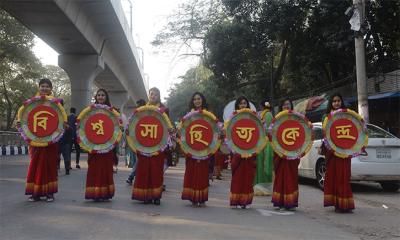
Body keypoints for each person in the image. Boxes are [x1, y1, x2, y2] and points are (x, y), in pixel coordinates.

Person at [22, 78, 60, 202]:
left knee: (49, 167)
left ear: (51, 89)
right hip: (36, 141)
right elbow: (24, 118)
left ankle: (50, 193)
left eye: (47, 86)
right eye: (42, 86)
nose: (44, 88)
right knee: (35, 166)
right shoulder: (32, 103)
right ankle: (35, 193)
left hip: (50, 142)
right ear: (39, 87)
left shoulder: (56, 103)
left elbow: (60, 120)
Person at [132, 88, 169, 205]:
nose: (153, 96)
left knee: (156, 171)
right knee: (143, 170)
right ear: (148, 96)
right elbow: (135, 124)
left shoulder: (164, 109)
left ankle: (156, 196)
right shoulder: (142, 110)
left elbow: (167, 126)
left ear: (159, 96)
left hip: (158, 145)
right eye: (151, 94)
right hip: (144, 145)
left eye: (155, 94)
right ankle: (144, 196)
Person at [320, 93, 355, 213]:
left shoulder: (348, 115)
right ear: (331, 103)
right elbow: (325, 135)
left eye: (338, 101)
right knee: (334, 177)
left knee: (344, 177)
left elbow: (356, 130)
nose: (336, 103)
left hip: (345, 152)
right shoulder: (326, 117)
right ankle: (337, 204)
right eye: (334, 101)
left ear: (341, 102)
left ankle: (346, 204)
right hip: (332, 153)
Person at [84, 89, 116, 201]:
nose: (101, 97)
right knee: (94, 169)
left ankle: (105, 193)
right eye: (99, 95)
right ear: (96, 97)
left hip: (107, 146)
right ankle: (95, 193)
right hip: (94, 146)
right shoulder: (90, 111)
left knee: (106, 169)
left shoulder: (112, 111)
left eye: (103, 95)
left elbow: (117, 126)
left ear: (106, 97)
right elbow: (84, 124)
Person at [181, 92, 211, 207]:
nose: (197, 101)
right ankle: (192, 196)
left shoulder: (208, 115)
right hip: (192, 147)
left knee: (203, 172)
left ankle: (202, 197)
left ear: (202, 100)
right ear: (192, 102)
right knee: (192, 171)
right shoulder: (189, 115)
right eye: (195, 99)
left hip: (204, 147)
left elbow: (214, 129)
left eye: (199, 99)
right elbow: (183, 129)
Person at [271, 98, 300, 210]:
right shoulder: (277, 120)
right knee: (280, 178)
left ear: (291, 106)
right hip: (280, 154)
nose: (286, 106)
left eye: (288, 104)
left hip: (293, 153)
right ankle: (280, 202)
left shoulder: (297, 118)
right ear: (281, 107)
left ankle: (291, 202)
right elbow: (273, 136)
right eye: (284, 105)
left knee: (291, 178)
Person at [229, 96, 257, 209]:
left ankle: (245, 201)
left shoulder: (253, 118)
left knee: (248, 178)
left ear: (247, 105)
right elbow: (229, 134)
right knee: (237, 178)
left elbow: (257, 133)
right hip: (237, 152)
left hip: (250, 152)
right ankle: (235, 201)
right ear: (237, 106)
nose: (243, 105)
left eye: (245, 103)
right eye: (240, 104)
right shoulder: (233, 119)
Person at [254, 100, 274, 194]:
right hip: (261, 142)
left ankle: (264, 187)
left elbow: (268, 129)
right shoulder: (262, 114)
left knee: (264, 164)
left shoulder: (268, 115)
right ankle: (259, 186)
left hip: (265, 143)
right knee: (260, 164)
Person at [126, 99, 146, 185]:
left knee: (140, 160)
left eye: (139, 106)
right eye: (137, 106)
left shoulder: (149, 115)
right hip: (137, 141)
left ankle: (132, 176)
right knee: (139, 160)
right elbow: (129, 126)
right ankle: (133, 176)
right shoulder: (135, 115)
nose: (138, 108)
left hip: (147, 142)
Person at [58, 101, 72, 175]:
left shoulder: (66, 116)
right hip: (56, 141)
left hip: (65, 142)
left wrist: (68, 127)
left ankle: (67, 169)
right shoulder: (53, 114)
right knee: (56, 158)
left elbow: (71, 129)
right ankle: (57, 169)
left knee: (66, 158)